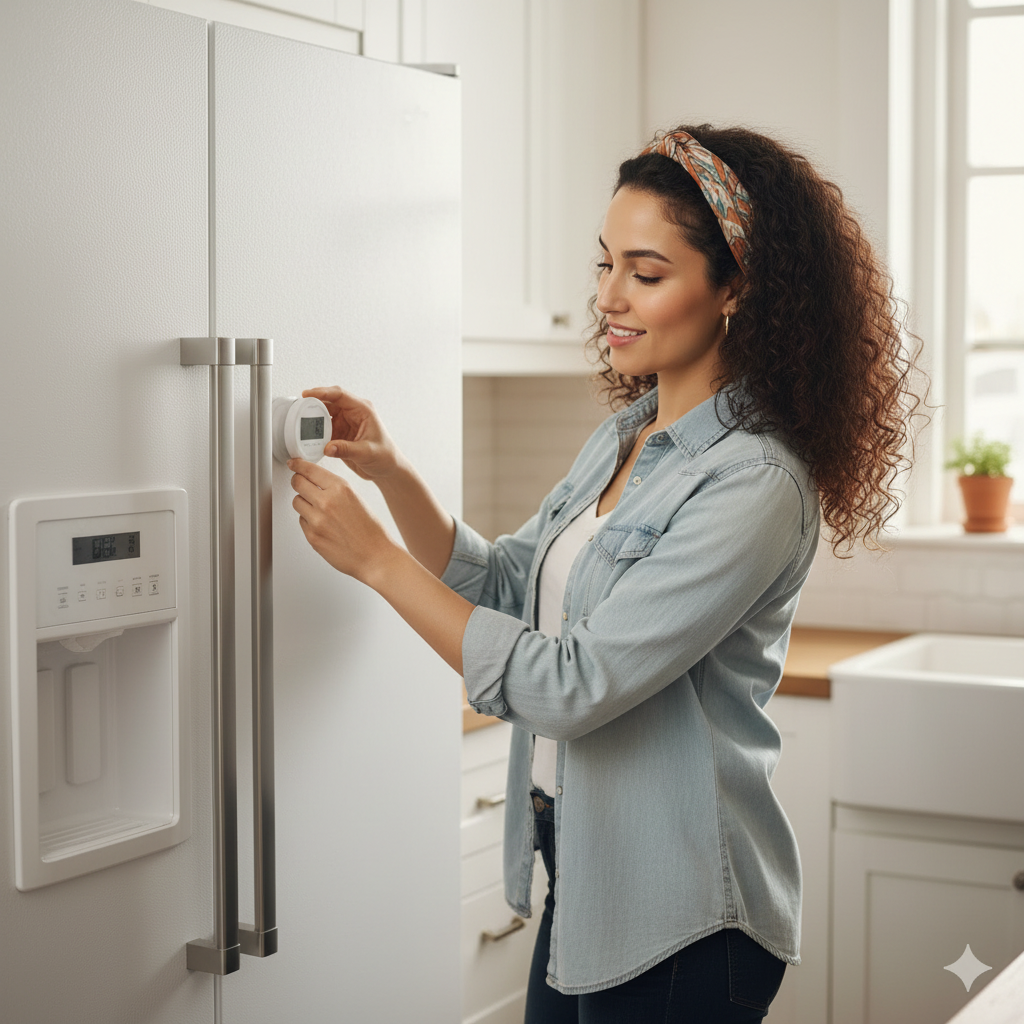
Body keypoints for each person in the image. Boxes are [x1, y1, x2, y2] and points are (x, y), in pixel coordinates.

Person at [286, 124, 924, 1021]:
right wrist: (390, 474)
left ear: (735, 287)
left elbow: (571, 686)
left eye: (646, 273)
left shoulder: (756, 483)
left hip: (685, 914)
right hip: (584, 875)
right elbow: (505, 585)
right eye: (605, 263)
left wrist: (377, 563)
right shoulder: (626, 437)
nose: (608, 297)